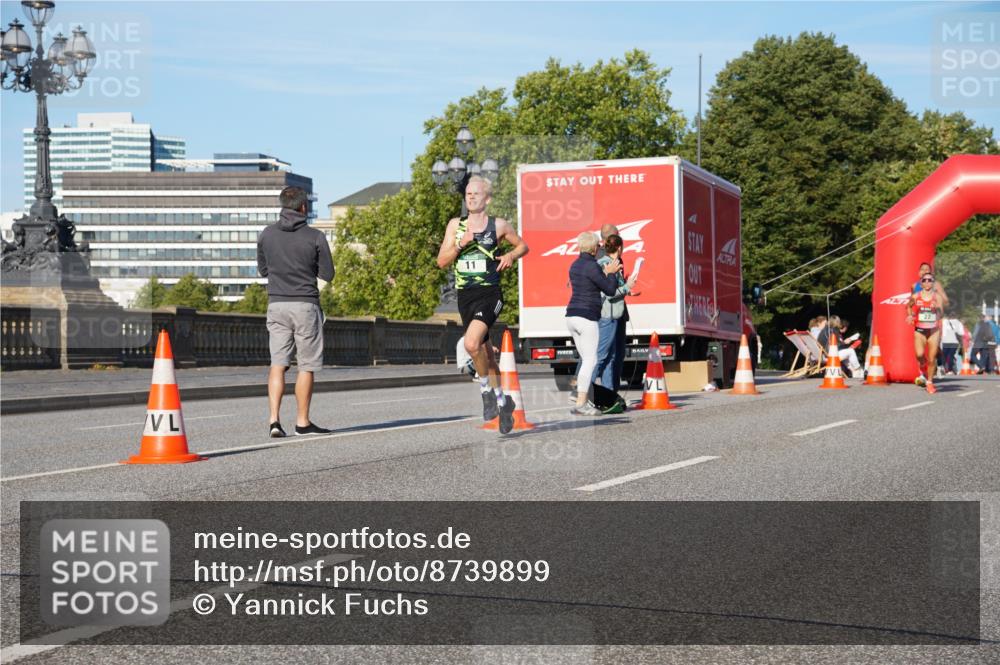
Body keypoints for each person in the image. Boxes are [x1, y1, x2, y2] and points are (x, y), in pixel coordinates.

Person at [436, 175, 528, 434]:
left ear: (487, 199)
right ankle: (504, 402)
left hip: (490, 294)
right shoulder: (456, 225)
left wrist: (510, 254)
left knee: (471, 343)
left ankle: (486, 391)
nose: (471, 197)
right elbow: (441, 261)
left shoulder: (498, 225)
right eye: (468, 194)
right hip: (466, 296)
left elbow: (523, 246)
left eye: (476, 194)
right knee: (486, 356)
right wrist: (459, 246)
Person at [257, 186, 334, 437]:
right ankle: (302, 422)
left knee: (278, 364)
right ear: (303, 207)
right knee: (306, 365)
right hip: (305, 305)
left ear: (282, 205)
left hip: (276, 304)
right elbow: (328, 274)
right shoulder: (315, 236)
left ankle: (273, 421)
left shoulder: (266, 234)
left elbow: (263, 270)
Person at [566, 231, 621, 415]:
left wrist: (604, 273)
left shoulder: (575, 265)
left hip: (571, 316)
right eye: (598, 246)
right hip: (587, 317)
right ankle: (581, 403)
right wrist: (612, 273)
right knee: (591, 360)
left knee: (586, 360)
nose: (599, 249)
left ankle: (584, 399)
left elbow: (592, 282)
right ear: (594, 248)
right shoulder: (592, 265)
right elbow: (610, 290)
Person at [594, 233, 637, 390]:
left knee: (611, 357)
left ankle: (609, 394)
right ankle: (584, 390)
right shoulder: (607, 264)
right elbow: (608, 292)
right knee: (603, 356)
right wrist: (627, 287)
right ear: (619, 248)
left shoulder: (610, 262)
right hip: (608, 315)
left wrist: (626, 290)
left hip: (612, 314)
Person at [905, 272, 945, 393]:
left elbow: (941, 313)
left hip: (933, 330)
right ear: (921, 283)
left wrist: (937, 309)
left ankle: (930, 382)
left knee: (932, 359)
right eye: (924, 280)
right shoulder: (916, 296)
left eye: (930, 280)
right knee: (920, 354)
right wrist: (910, 316)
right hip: (920, 329)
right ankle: (922, 369)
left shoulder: (937, 297)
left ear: (933, 283)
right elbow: (908, 307)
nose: (927, 282)